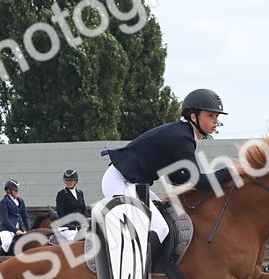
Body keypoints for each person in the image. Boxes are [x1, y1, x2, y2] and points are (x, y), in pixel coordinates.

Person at [101, 88, 236, 244]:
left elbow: (176, 176)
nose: (215, 121)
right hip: (119, 182)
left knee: (166, 213)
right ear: (193, 116)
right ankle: (141, 269)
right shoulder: (182, 137)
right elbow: (197, 180)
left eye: (217, 116)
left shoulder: (184, 134)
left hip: (133, 183)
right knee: (160, 229)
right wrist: (230, 172)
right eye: (210, 115)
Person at [0, 180, 30, 254]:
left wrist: (29, 229)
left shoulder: (21, 201)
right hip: (7, 230)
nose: (18, 192)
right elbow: (5, 219)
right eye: (15, 190)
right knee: (7, 244)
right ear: (9, 191)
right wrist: (15, 230)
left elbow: (25, 217)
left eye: (18, 190)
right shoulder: (4, 202)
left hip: (19, 230)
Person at [54, 169, 87, 243]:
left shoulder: (80, 193)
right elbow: (60, 213)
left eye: (71, 180)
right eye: (67, 181)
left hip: (79, 227)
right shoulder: (61, 194)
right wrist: (68, 225)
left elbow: (83, 210)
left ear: (76, 181)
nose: (69, 182)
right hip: (67, 228)